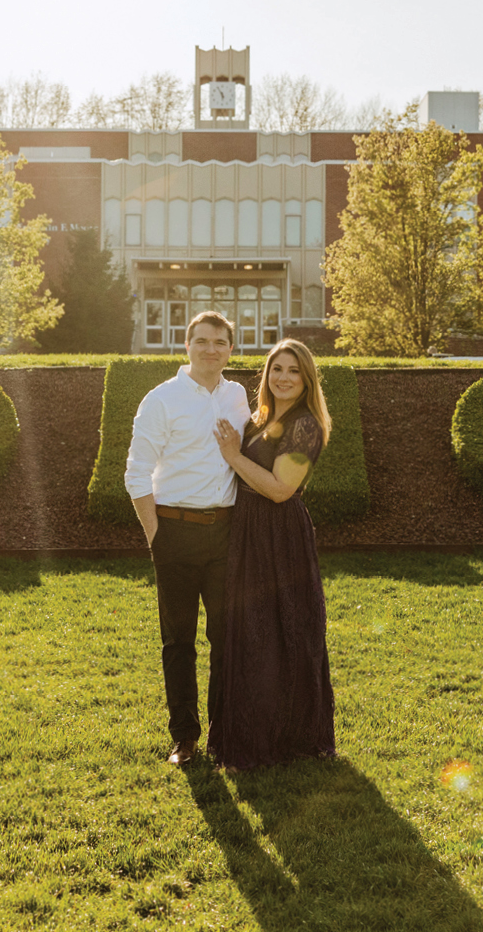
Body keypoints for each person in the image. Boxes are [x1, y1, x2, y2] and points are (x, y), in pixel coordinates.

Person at [125, 311, 252, 767]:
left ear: (231, 349)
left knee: (226, 639)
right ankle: (185, 738)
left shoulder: (238, 396)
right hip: (173, 532)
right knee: (178, 642)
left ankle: (223, 734)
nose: (210, 349)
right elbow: (136, 473)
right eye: (201, 341)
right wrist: (157, 536)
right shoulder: (162, 399)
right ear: (186, 346)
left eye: (220, 342)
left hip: (226, 535)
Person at [206, 338, 336, 771]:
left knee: (280, 631)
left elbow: (281, 489)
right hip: (246, 531)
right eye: (276, 368)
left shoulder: (306, 426)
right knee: (250, 631)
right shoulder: (259, 419)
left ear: (307, 379)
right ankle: (246, 732)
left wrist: (232, 457)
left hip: (279, 537)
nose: (283, 377)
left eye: (293, 370)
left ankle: (284, 739)